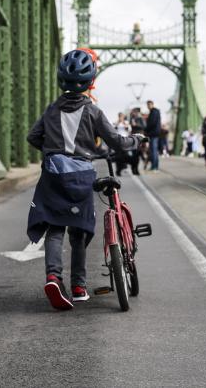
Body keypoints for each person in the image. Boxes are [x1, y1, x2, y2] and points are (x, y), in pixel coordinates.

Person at [26, 49, 140, 311]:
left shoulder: (52, 110)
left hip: (53, 174)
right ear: (91, 81)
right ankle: (78, 286)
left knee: (55, 228)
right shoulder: (93, 111)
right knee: (78, 231)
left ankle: (53, 277)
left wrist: (51, 150)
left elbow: (33, 137)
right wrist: (136, 139)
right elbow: (117, 142)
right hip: (81, 176)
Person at [145, 100, 161, 170]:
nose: (148, 106)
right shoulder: (154, 112)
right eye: (147, 105)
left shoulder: (154, 112)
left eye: (149, 105)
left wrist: (146, 129)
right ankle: (155, 166)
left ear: (152, 105)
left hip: (153, 133)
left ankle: (154, 166)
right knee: (153, 150)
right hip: (154, 133)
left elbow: (152, 123)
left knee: (153, 151)